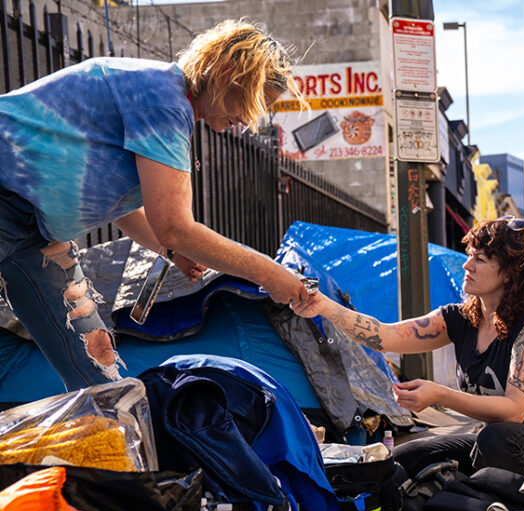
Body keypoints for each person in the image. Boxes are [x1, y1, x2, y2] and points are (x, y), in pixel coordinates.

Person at [0, 19, 311, 391]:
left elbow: (116, 202)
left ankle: (113, 443)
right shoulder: (160, 99)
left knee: (98, 372)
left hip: (36, 232)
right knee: (96, 374)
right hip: (8, 201)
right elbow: (176, 226)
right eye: (253, 103)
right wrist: (269, 273)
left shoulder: (163, 101)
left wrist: (169, 249)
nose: (247, 120)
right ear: (228, 73)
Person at [292, 217, 524, 497]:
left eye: (480, 259)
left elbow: (513, 412)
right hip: (502, 444)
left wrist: (439, 394)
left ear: (509, 273)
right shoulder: (460, 319)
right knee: (402, 459)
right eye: (470, 257)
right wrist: (323, 307)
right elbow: (385, 337)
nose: (468, 266)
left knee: (495, 438)